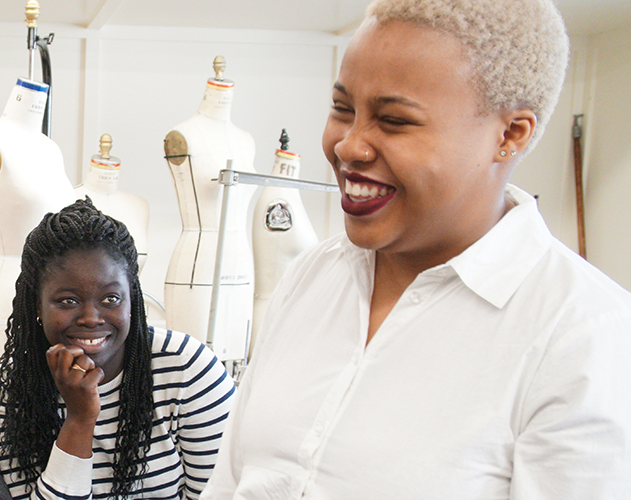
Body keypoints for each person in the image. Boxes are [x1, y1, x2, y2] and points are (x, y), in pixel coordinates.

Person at [203, 0, 631, 498]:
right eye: (343, 109)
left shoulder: (583, 336)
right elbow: (232, 481)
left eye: (394, 121)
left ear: (510, 134)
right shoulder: (313, 274)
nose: (349, 146)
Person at [0, 198, 235, 500]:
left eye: (110, 299)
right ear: (37, 304)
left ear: (132, 300)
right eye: (67, 301)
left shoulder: (187, 369)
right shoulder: (7, 391)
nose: (90, 318)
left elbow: (223, 492)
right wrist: (80, 419)